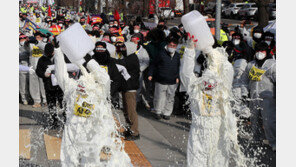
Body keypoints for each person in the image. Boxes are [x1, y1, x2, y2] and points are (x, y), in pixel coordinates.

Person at [53, 44, 132, 167]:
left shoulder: (100, 90)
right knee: (68, 161)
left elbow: (105, 78)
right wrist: (58, 52)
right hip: (72, 131)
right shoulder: (72, 87)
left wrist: (89, 60)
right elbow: (60, 75)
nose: (86, 78)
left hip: (91, 133)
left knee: (90, 163)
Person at [180, 35, 246, 167]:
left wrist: (211, 52)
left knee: (219, 163)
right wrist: (189, 49)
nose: (209, 84)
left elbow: (227, 69)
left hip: (219, 132)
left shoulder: (223, 87)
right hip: (198, 132)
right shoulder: (195, 87)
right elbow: (186, 74)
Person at [240, 42, 276, 151]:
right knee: (254, 120)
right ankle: (256, 140)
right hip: (254, 98)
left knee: (269, 121)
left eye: (262, 51)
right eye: (258, 51)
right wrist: (244, 94)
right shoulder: (251, 65)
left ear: (267, 52)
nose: (260, 53)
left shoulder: (273, 65)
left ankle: (274, 142)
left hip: (268, 98)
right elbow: (244, 81)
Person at [112, 42, 140, 140]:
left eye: (124, 47)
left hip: (130, 89)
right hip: (125, 87)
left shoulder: (132, 58)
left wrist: (108, 58)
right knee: (126, 111)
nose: (122, 49)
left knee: (131, 111)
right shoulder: (127, 57)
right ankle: (129, 129)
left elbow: (120, 64)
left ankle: (134, 132)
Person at [148, 37, 180, 120]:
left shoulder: (177, 55)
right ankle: (158, 111)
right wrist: (150, 74)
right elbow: (153, 64)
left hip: (172, 80)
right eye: (170, 45)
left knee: (170, 97)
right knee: (159, 96)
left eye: (174, 46)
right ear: (167, 45)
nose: (172, 47)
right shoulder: (161, 53)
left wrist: (177, 77)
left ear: (176, 46)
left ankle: (167, 113)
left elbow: (178, 66)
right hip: (161, 79)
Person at [36, 43, 64, 129]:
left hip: (60, 86)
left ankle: (66, 120)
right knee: (51, 105)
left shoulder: (59, 57)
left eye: (51, 53)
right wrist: (44, 74)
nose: (50, 55)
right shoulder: (42, 59)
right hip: (49, 86)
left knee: (63, 103)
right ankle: (54, 122)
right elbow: (38, 71)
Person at [28, 32, 47, 108]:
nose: (37, 39)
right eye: (36, 37)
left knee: (43, 84)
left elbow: (45, 49)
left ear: (41, 38)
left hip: (42, 67)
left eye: (39, 37)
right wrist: (27, 41)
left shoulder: (43, 44)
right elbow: (25, 47)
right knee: (34, 85)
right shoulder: (30, 45)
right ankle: (36, 101)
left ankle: (45, 100)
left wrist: (38, 43)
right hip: (32, 67)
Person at [19, 34, 30, 105]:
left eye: (24, 39)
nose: (23, 40)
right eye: (21, 39)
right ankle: (24, 98)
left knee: (31, 84)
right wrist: (27, 54)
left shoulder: (29, 46)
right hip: (22, 66)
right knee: (23, 84)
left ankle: (29, 97)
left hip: (30, 66)